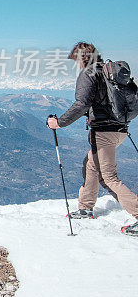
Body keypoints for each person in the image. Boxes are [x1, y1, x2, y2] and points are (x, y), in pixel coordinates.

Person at [48, 41, 137, 235]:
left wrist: (59, 122)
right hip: (119, 130)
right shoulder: (108, 74)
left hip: (104, 133)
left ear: (83, 58)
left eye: (77, 60)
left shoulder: (89, 74)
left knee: (109, 178)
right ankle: (85, 207)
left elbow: (82, 104)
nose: (77, 64)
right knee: (91, 165)